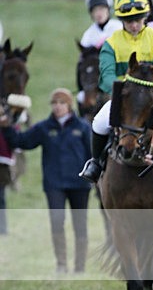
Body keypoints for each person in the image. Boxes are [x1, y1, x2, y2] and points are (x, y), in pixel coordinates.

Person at [79, 0, 153, 183]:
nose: (134, 24)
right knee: (98, 123)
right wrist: (127, 89)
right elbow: (106, 76)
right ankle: (96, 162)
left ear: (145, 17)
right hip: (124, 97)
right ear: (122, 20)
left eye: (138, 19)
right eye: (129, 21)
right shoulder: (111, 43)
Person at [0, 88, 92, 273]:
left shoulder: (82, 127)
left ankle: (80, 266)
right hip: (54, 184)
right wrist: (6, 126)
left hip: (79, 184)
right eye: (54, 103)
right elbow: (22, 141)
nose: (58, 107)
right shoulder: (44, 127)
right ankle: (61, 264)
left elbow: (92, 155)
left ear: (69, 105)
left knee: (79, 224)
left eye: (62, 103)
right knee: (57, 222)